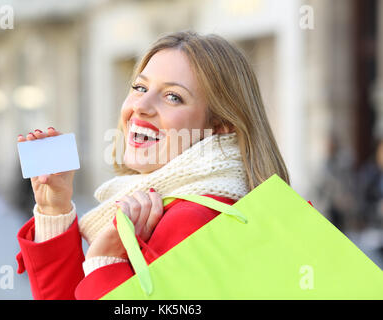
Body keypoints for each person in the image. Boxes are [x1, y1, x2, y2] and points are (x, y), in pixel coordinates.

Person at [16, 30, 290, 300]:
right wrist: (54, 209)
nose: (141, 106)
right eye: (140, 87)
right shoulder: (176, 204)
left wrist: (106, 263)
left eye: (173, 96)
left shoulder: (191, 221)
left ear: (219, 126)